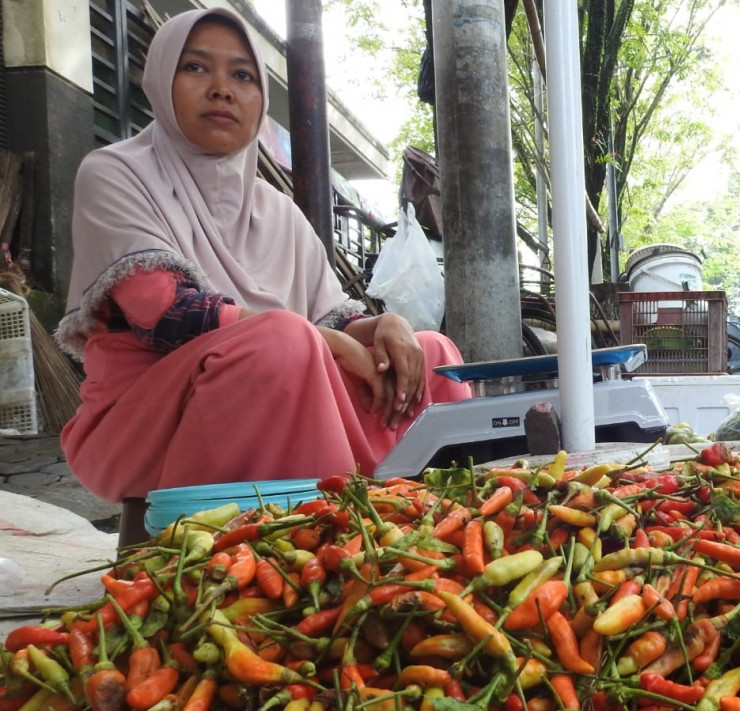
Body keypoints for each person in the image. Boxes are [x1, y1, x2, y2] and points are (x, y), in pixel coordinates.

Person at [56, 8, 472, 522]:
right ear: (161, 80)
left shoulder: (277, 209)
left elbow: (331, 317)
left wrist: (385, 326)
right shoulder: (116, 172)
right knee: (282, 342)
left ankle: (437, 525)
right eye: (195, 68)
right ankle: (329, 535)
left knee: (431, 355)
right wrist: (333, 343)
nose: (222, 89)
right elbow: (169, 315)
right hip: (142, 426)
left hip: (281, 380)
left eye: (243, 75)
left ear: (260, 99)